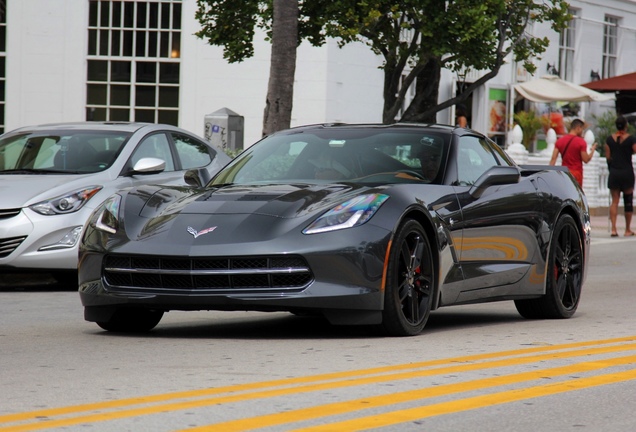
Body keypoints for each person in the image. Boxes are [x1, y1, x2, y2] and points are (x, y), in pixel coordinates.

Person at [604, 115, 636, 237]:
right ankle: (627, 229)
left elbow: (608, 157)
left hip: (614, 172)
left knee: (614, 201)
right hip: (627, 172)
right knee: (628, 201)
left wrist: (611, 169)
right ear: (626, 126)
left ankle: (613, 229)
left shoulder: (609, 139)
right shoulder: (630, 139)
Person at [549, 118, 597, 188]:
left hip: (564, 173)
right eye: (582, 129)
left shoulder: (560, 141)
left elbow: (553, 159)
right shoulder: (581, 142)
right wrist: (592, 150)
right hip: (576, 174)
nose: (582, 132)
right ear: (578, 128)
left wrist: (550, 174)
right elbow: (586, 160)